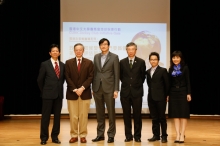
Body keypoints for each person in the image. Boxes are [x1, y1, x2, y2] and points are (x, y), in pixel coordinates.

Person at [92, 38, 120, 143]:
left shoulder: (114, 57)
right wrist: (93, 88)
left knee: (111, 113)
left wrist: (116, 89)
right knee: (99, 113)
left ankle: (111, 135)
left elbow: (117, 74)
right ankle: (100, 134)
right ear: (99, 46)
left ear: (108, 46)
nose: (103, 46)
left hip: (109, 89)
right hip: (97, 88)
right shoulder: (96, 57)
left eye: (105, 44)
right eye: (101, 44)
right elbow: (95, 73)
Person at [65, 43, 94, 143]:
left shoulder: (89, 63)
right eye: (76, 50)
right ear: (74, 51)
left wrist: (82, 88)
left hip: (85, 94)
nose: (78, 51)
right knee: (73, 117)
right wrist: (75, 89)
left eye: (80, 50)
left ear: (83, 51)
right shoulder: (68, 63)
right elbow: (67, 77)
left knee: (83, 116)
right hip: (72, 94)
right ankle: (73, 135)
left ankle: (83, 135)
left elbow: (90, 77)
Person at [37, 44, 65, 145]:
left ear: (60, 53)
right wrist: (44, 91)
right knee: (45, 117)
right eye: (53, 51)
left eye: (57, 51)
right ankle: (44, 138)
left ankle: (55, 137)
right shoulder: (45, 64)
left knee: (57, 117)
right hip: (47, 95)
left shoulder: (62, 65)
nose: (55, 52)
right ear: (50, 53)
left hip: (59, 95)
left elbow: (63, 80)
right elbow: (40, 80)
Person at [120, 42, 146, 142]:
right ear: (126, 50)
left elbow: (143, 76)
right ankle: (128, 136)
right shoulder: (122, 62)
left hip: (137, 92)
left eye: (132, 49)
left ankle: (137, 136)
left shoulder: (141, 62)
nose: (130, 51)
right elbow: (121, 76)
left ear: (136, 50)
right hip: (125, 93)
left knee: (137, 115)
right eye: (129, 49)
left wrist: (135, 84)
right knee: (126, 115)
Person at [168, 50, 191, 143]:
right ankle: (177, 134)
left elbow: (188, 81)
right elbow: (169, 83)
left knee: (183, 114)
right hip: (173, 92)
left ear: (180, 58)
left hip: (183, 91)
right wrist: (168, 94)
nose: (175, 59)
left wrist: (188, 93)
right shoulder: (170, 69)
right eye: (174, 57)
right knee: (175, 114)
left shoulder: (185, 68)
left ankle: (182, 134)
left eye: (177, 57)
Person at [146, 52, 169, 143]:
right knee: (154, 118)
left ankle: (164, 136)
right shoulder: (148, 71)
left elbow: (167, 84)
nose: (153, 61)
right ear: (149, 61)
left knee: (162, 118)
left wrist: (165, 96)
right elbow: (149, 84)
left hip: (161, 98)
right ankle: (156, 135)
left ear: (158, 60)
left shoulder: (163, 70)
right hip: (151, 98)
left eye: (155, 59)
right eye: (151, 59)